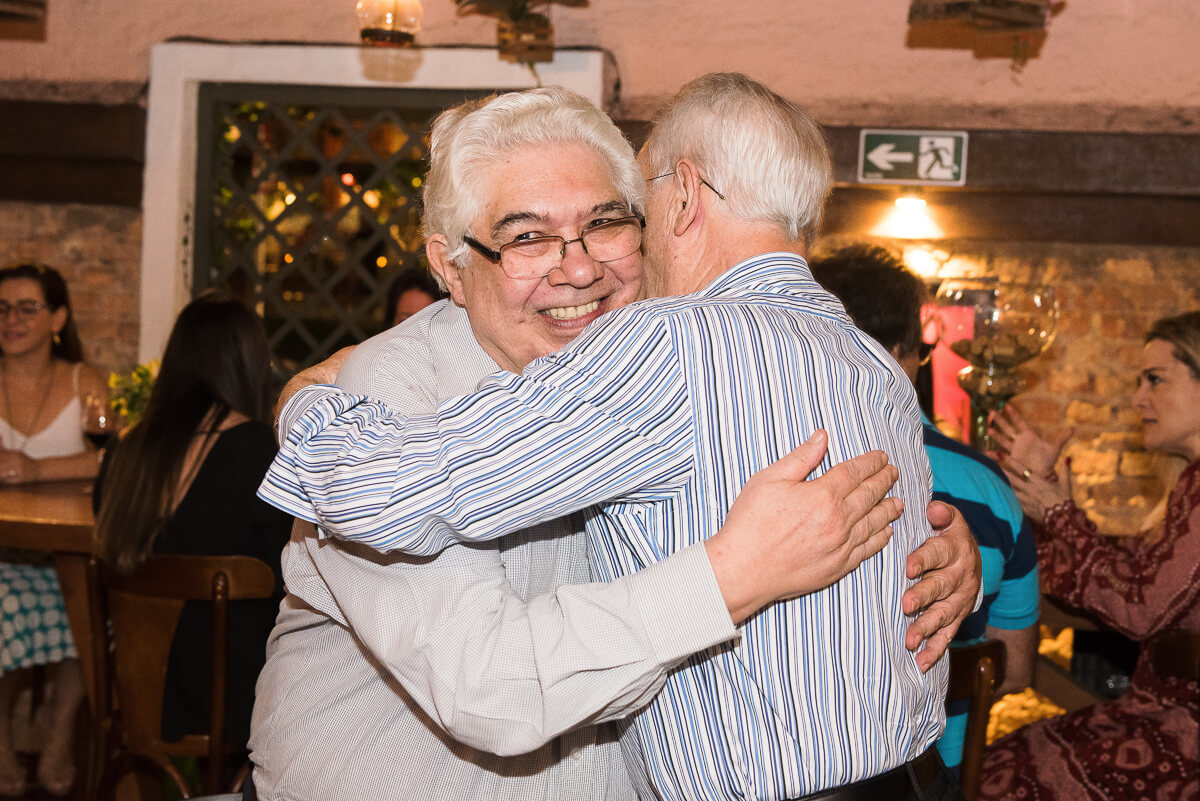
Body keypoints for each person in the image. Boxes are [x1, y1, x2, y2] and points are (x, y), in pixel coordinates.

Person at [262, 75, 982, 801]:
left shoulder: (662, 356)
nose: (579, 268)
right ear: (450, 265)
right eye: (527, 237)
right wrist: (731, 574)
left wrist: (928, 560)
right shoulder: (390, 394)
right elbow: (494, 689)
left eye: (607, 222)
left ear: (672, 206)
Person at [809, 243, 1040, 774]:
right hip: (942, 773)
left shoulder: (792, 471)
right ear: (904, 353)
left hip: (807, 772)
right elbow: (1014, 670)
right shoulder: (990, 487)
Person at [980, 310, 1200, 801]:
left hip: (1182, 730)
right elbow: (1113, 579)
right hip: (1156, 715)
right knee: (996, 764)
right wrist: (1050, 505)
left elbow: (1138, 608)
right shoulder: (1188, 488)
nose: (1139, 398)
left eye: (1155, 379)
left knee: (999, 777)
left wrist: (1058, 513)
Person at [94, 292, 291, 772]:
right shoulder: (258, 451)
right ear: (250, 365)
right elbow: (290, 575)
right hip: (234, 700)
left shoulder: (124, 451)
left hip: (135, 688)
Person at [0, 262, 106, 796]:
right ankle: (1, 739)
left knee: (94, 604)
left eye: (27, 307)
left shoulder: (83, 381)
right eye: (2, 308)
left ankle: (60, 735)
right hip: (4, 556)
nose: (11, 319)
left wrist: (38, 469)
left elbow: (113, 456)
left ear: (58, 318)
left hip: (67, 554)